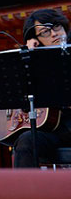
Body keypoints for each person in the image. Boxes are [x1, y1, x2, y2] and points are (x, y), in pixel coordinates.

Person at [13, 9, 71, 167]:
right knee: (26, 140)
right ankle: (26, 192)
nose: (54, 34)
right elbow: (23, 104)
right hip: (54, 128)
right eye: (45, 32)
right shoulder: (34, 62)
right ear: (35, 39)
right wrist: (28, 59)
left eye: (57, 26)